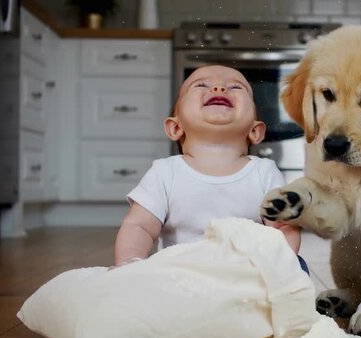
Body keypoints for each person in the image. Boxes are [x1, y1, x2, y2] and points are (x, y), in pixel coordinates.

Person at [113, 65, 307, 273]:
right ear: (175, 127)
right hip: (181, 275)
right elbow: (139, 226)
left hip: (246, 275)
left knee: (298, 266)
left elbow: (283, 228)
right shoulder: (165, 172)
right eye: (202, 85)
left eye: (236, 87)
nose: (219, 88)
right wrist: (129, 263)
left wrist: (279, 268)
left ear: (255, 131)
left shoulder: (264, 172)